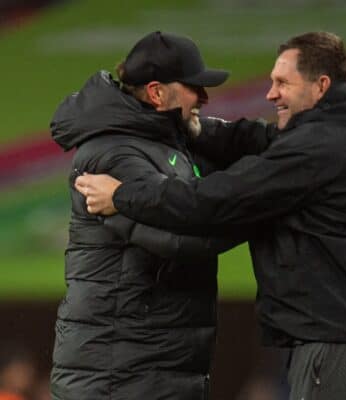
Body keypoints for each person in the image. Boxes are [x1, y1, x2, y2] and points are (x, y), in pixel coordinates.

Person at [75, 32, 346, 399]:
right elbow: (261, 139)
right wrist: (201, 130)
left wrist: (122, 194)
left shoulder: (315, 151)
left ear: (321, 86)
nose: (270, 93)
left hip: (338, 351)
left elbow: (215, 201)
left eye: (282, 82)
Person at [49, 31, 237, 399]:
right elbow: (184, 239)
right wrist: (268, 211)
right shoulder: (114, 154)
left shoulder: (164, 144)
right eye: (194, 86)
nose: (204, 97)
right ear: (156, 92)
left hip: (145, 371)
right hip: (117, 379)